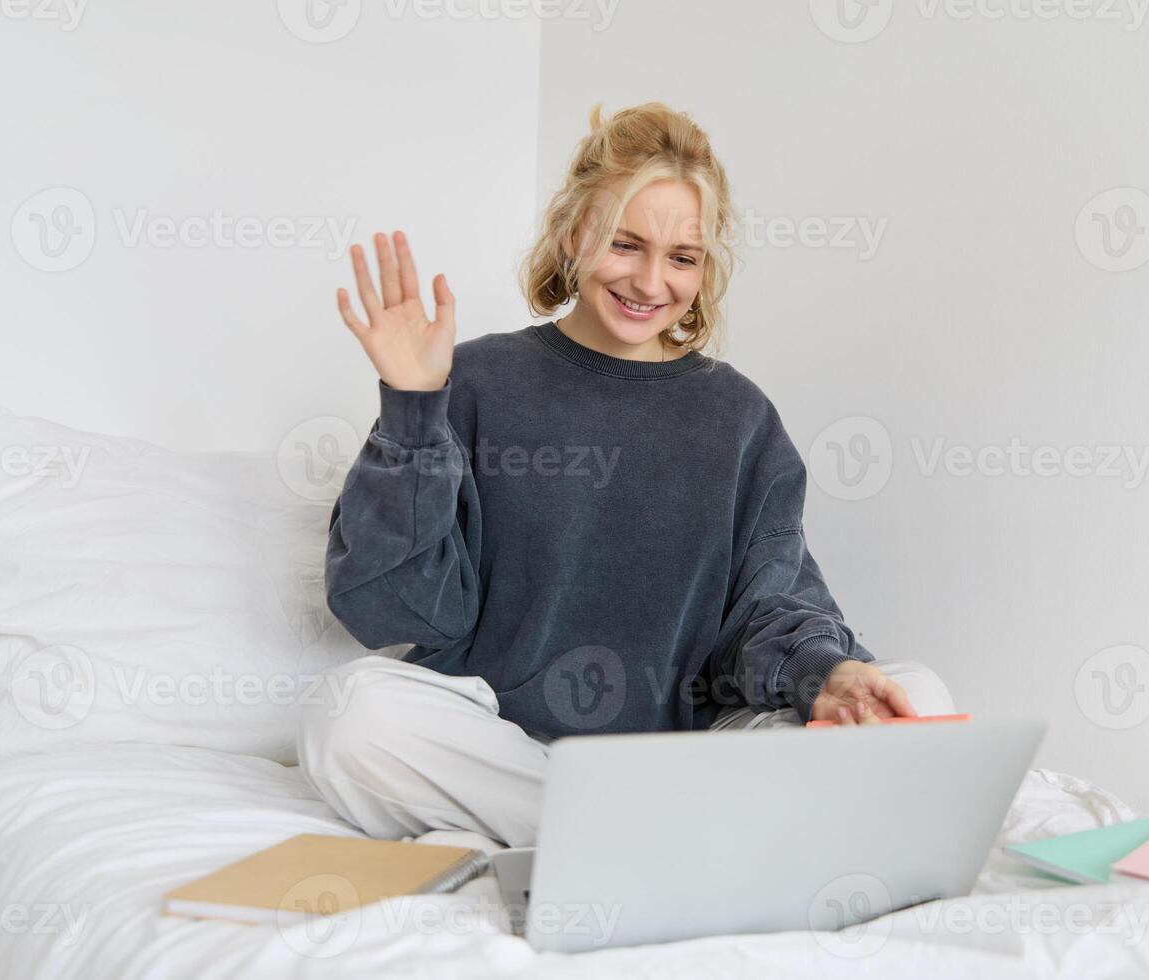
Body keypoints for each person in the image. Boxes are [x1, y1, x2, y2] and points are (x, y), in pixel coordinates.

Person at [297, 102, 956, 848]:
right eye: (625, 243)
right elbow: (394, 614)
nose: (650, 281)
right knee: (349, 716)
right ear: (575, 232)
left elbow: (770, 606)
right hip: (513, 750)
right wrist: (414, 410)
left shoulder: (738, 416)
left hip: (689, 753)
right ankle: (673, 843)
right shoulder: (475, 380)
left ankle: (627, 837)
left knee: (919, 696)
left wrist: (824, 672)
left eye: (682, 257)